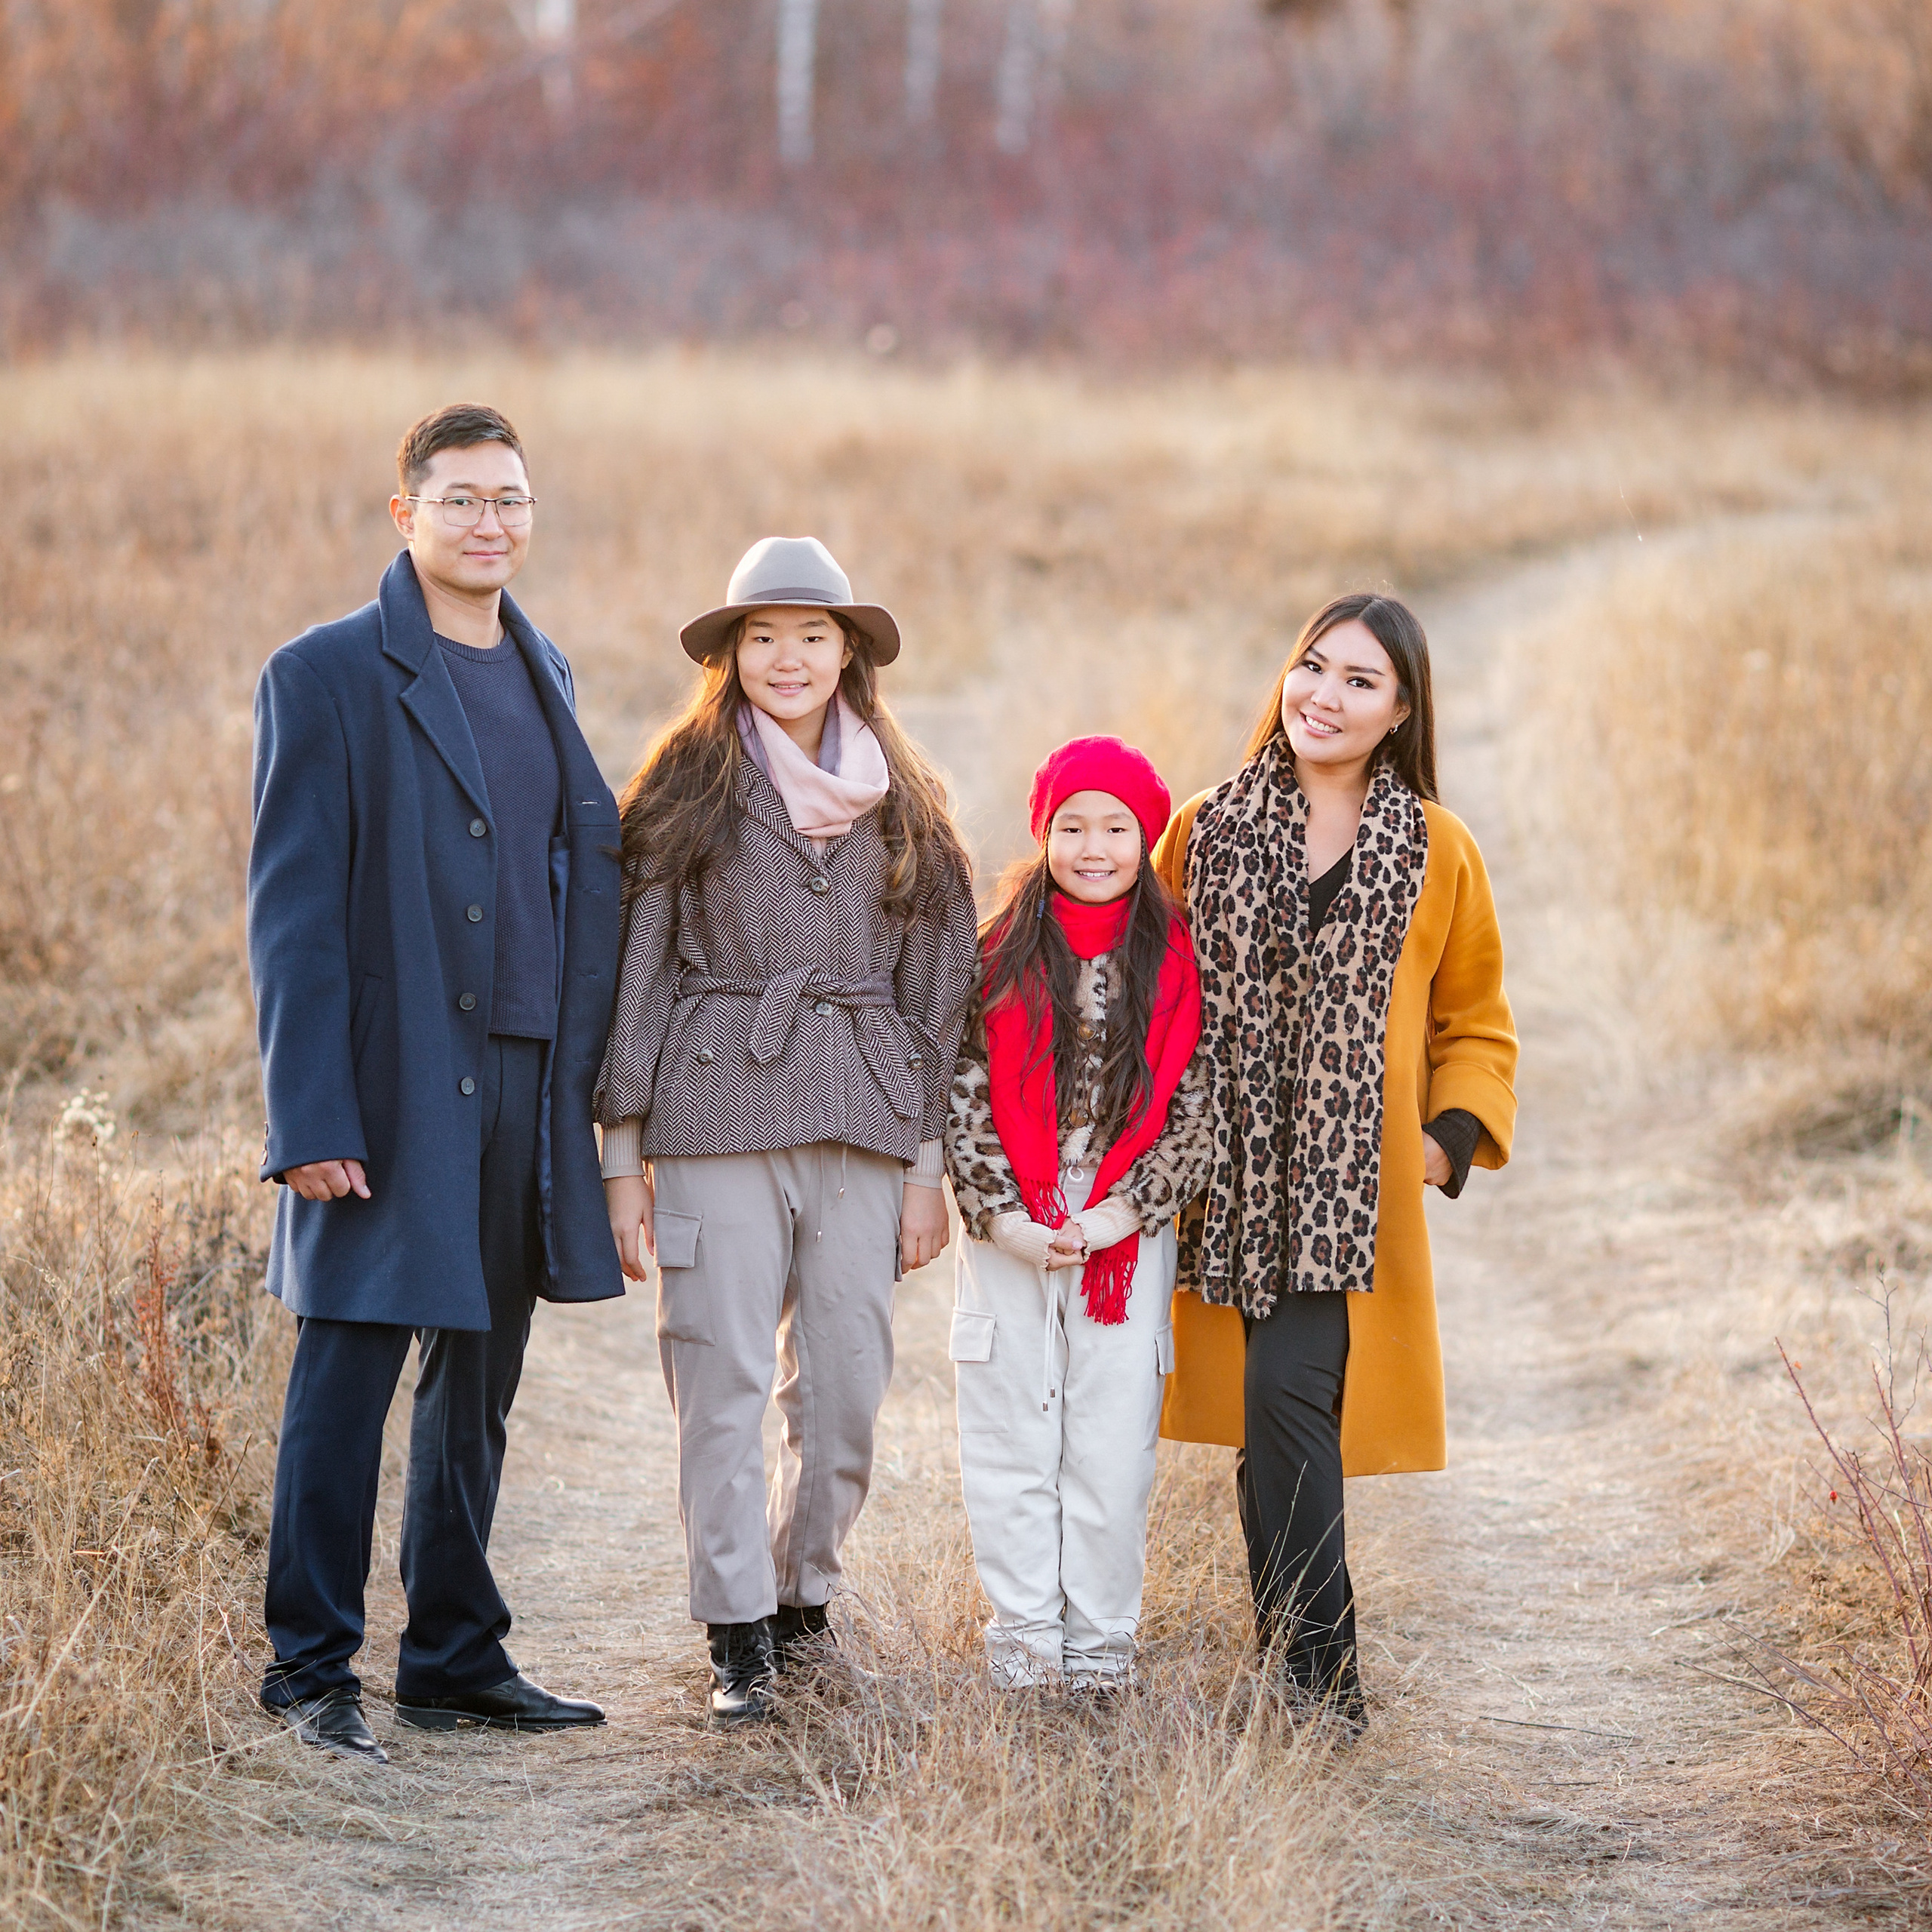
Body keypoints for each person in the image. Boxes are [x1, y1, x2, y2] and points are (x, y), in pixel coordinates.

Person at [249, 403, 622, 1763]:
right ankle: (309, 1671)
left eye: (511, 500)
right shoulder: (328, 674)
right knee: (345, 1375)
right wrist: (311, 1119)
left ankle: (455, 1655)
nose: (490, 524)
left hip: (524, 1078)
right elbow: (289, 917)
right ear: (405, 515)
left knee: (477, 1382)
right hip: (388, 1083)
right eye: (461, 500)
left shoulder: (549, 670)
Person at [598, 537, 977, 1728]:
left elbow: (939, 992)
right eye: (760, 637)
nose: (787, 657)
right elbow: (639, 974)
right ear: (731, 658)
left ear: (850, 651)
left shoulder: (906, 800)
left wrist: (930, 1167)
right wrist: (623, 1159)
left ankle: (807, 1604)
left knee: (850, 1386)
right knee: (720, 1380)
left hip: (865, 1115)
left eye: (812, 635)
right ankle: (737, 1632)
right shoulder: (686, 786)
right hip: (716, 1108)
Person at [1155, 592, 1517, 1733]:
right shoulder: (1202, 825)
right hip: (1218, 1179)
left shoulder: (1439, 850)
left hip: (1344, 1197)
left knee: (1290, 1404)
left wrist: (1443, 1140)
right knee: (1271, 1425)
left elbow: (1479, 1019)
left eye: (1362, 681)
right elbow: (1146, 993)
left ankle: (1322, 1685)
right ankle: (1299, 1671)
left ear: (1402, 711)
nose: (1326, 695)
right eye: (1314, 667)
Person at [944, 737, 1210, 1692]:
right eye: (1071, 824)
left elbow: (1195, 1113)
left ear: (1146, 837)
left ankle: (1099, 1651)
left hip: (1122, 1231)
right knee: (1010, 1434)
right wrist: (1007, 1218)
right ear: (1042, 830)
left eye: (1115, 826)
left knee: (1107, 1442)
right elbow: (962, 1092)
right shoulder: (996, 949)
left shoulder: (1178, 958)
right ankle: (1022, 1645)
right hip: (1011, 1218)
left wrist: (1112, 1218)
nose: (1091, 846)